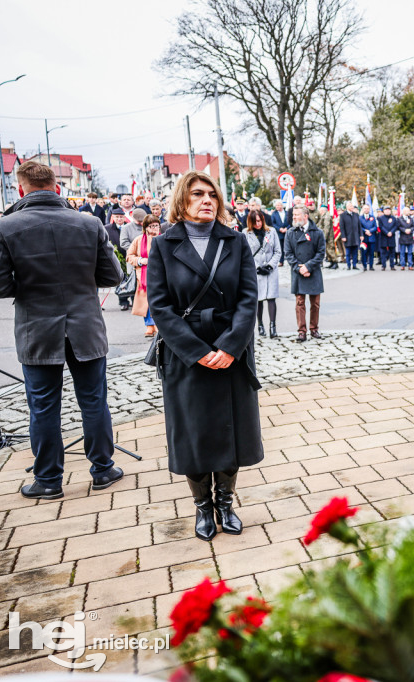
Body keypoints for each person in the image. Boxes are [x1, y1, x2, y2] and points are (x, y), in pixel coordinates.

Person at [146, 170, 263, 541]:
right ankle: (202, 508)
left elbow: (248, 299)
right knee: (195, 434)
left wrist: (230, 347)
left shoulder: (236, 241)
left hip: (232, 350)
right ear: (182, 201)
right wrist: (198, 352)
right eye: (197, 194)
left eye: (211, 194)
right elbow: (161, 307)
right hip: (186, 355)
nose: (206, 200)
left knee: (231, 433)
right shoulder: (164, 245)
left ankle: (226, 502)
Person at [0, 161, 125, 500]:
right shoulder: (89, 222)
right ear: (57, 187)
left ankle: (49, 480)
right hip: (84, 325)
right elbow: (112, 276)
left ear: (21, 188)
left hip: (36, 329)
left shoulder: (6, 226)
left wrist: (28, 284)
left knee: (42, 407)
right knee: (94, 401)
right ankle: (103, 469)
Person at [284, 204, 326, 342]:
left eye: (296, 215)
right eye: (293, 215)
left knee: (315, 304)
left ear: (305, 216)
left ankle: (314, 329)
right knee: (300, 303)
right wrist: (299, 268)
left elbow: (321, 253)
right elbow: (288, 254)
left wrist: (308, 267)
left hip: (313, 271)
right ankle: (302, 331)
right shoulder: (290, 232)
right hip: (298, 272)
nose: (294, 217)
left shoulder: (317, 232)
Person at [245, 209, 281, 338]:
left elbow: (278, 251)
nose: (258, 224)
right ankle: (260, 325)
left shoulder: (271, 232)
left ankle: (273, 326)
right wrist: (256, 267)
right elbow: (246, 254)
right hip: (256, 272)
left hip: (270, 271)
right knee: (258, 300)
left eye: (259, 221)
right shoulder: (246, 234)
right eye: (255, 222)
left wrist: (270, 265)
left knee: (271, 298)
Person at [126, 214, 163, 337]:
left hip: (161, 274)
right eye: (151, 226)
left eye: (156, 225)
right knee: (145, 302)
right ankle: (149, 326)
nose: (154, 228)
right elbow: (129, 256)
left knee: (159, 299)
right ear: (146, 227)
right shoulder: (138, 240)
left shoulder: (164, 239)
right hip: (143, 276)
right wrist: (140, 260)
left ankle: (158, 324)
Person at [339, 201, 361, 270]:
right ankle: (348, 265)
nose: (352, 207)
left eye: (352, 206)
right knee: (348, 253)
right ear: (347, 207)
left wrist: (361, 235)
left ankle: (354, 265)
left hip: (355, 237)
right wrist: (343, 236)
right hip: (347, 237)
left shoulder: (356, 214)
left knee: (355, 252)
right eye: (350, 206)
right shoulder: (343, 215)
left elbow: (359, 226)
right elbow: (341, 227)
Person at [376, 206, 398, 271]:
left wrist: (391, 232)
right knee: (383, 253)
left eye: (389, 210)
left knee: (392, 252)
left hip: (391, 237)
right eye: (386, 210)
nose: (387, 211)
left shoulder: (393, 218)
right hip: (383, 237)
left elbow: (396, 226)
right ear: (384, 211)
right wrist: (387, 232)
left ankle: (392, 266)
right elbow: (381, 226)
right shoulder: (381, 218)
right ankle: (383, 266)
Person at [269, 199, 291, 266]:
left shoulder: (287, 213)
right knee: (280, 247)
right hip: (279, 233)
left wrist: (287, 228)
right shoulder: (274, 214)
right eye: (276, 205)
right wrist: (279, 229)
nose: (278, 206)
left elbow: (291, 222)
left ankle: (290, 261)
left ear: (282, 205)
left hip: (287, 233)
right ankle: (281, 261)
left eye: (279, 205)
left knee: (288, 247)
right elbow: (273, 223)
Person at [359, 204, 377, 270]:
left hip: (371, 237)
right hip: (364, 238)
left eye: (367, 208)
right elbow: (359, 227)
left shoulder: (372, 217)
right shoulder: (360, 218)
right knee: (364, 253)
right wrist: (365, 231)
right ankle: (364, 266)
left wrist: (370, 231)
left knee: (371, 253)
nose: (366, 210)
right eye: (365, 208)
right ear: (363, 209)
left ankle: (371, 266)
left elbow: (375, 226)